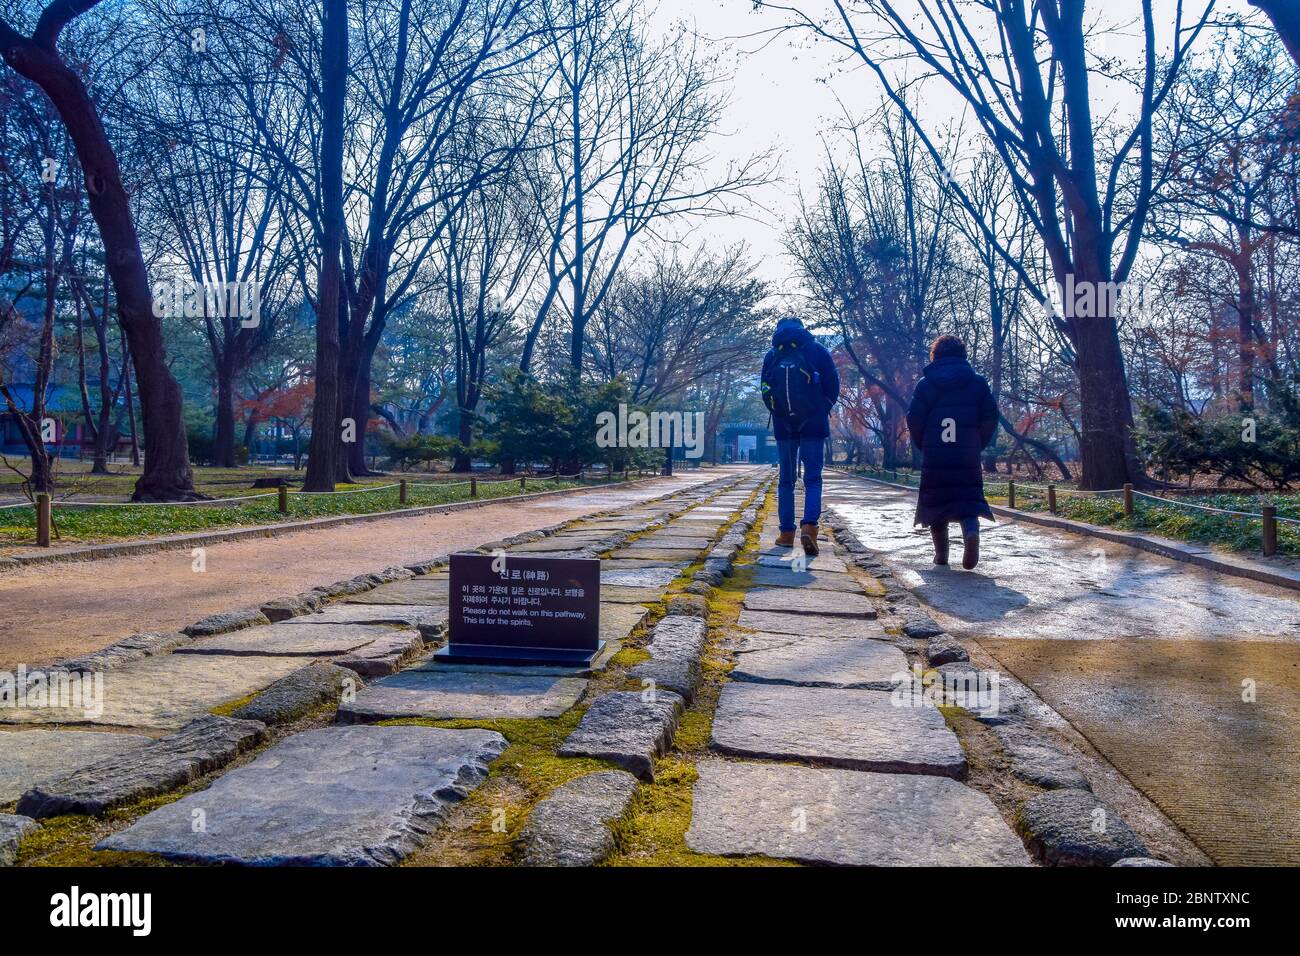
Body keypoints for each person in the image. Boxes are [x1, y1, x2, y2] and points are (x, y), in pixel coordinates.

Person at [905, 335, 999, 569]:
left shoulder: (926, 384)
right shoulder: (977, 383)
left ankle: (942, 555)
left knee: (937, 502)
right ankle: (970, 531)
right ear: (962, 355)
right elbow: (990, 416)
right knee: (967, 499)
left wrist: (923, 445)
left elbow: (913, 419)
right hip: (967, 452)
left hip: (936, 453)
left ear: (935, 356)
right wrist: (978, 443)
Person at [760, 316, 840, 556]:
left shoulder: (772, 355)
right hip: (813, 425)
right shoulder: (818, 351)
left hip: (784, 426)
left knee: (786, 481)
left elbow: (764, 389)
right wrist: (821, 409)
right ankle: (809, 527)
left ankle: (786, 535)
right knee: (813, 479)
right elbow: (833, 385)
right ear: (801, 328)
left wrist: (777, 412)